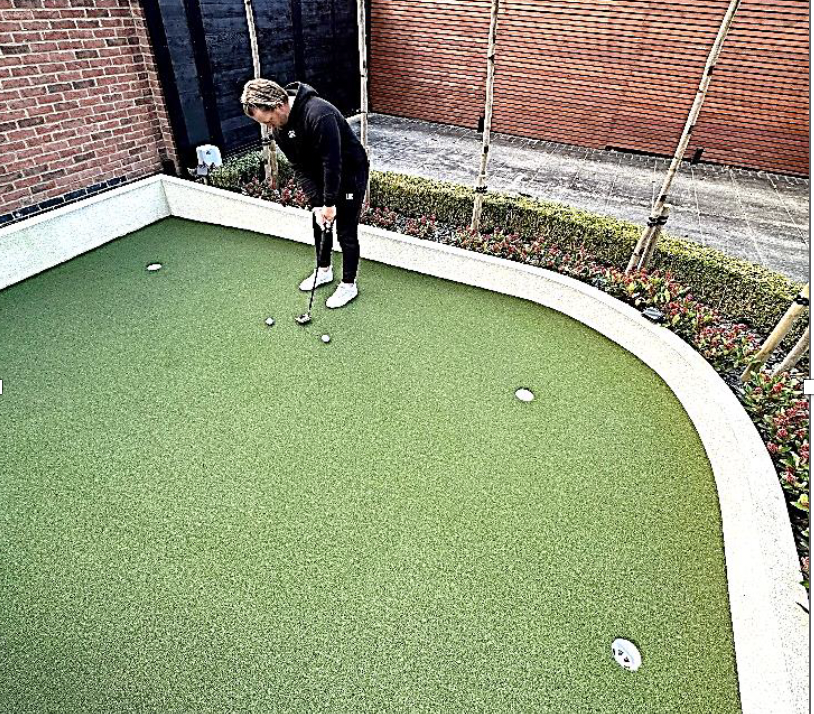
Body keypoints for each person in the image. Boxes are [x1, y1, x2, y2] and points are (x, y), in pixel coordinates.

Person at [240, 78, 370, 309]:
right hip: (321, 173)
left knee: (346, 231)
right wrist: (317, 204)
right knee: (319, 222)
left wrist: (330, 203)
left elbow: (333, 163)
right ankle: (324, 271)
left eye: (268, 120)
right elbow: (300, 167)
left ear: (279, 104)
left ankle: (349, 284)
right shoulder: (280, 130)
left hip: (349, 172)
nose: (269, 127)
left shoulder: (320, 114)